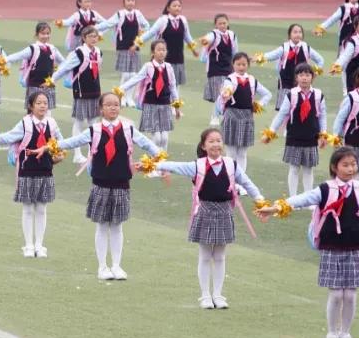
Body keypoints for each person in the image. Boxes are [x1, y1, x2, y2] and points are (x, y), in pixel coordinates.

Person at [256, 147, 359, 338]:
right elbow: (300, 199)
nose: (350, 169)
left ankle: (346, 333)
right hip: (331, 247)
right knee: (336, 294)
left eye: (353, 165)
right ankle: (332, 333)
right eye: (345, 165)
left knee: (350, 294)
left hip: (355, 247)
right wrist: (275, 208)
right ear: (334, 167)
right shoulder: (325, 189)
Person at [50, 93, 162, 280]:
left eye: (116, 105)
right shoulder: (94, 130)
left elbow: (150, 146)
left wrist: (157, 161)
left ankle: (117, 266)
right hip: (100, 184)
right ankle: (102, 266)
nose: (113, 108)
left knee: (117, 226)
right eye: (108, 105)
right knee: (102, 226)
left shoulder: (128, 129)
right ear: (100, 109)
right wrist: (49, 146)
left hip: (121, 184)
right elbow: (71, 142)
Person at [156, 128, 265, 308]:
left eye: (219, 141)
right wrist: (155, 165)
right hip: (205, 211)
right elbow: (175, 166)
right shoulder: (197, 165)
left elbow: (247, 183)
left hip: (224, 212)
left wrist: (259, 200)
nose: (216, 144)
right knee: (205, 255)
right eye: (211, 141)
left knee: (220, 255)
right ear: (204, 146)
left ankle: (218, 295)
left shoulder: (231, 164)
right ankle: (205, 295)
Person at [0, 90, 63, 256]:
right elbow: (9, 137)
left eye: (45, 103)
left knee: (41, 209)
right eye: (38, 103)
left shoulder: (52, 124)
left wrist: (61, 152)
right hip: (27, 170)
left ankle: (39, 245)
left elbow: (61, 142)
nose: (42, 106)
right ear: (31, 106)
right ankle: (29, 245)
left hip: (45, 170)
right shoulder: (25, 123)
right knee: (27, 209)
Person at [261, 64, 328, 196]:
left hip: (311, 137)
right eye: (301, 75)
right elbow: (282, 114)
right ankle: (293, 198)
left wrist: (323, 134)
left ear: (312, 77)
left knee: (308, 170)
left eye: (307, 75)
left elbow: (322, 116)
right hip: (294, 136)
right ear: (296, 77)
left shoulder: (319, 95)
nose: (304, 78)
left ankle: (308, 198)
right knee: (294, 168)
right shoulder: (291, 95)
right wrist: (271, 131)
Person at [214, 53, 273, 180]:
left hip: (247, 117)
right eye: (238, 64)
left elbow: (267, 94)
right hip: (231, 116)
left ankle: (241, 181)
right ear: (233, 65)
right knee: (231, 152)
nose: (241, 67)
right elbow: (226, 91)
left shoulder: (252, 80)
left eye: (244, 64)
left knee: (242, 153)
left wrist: (259, 105)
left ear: (248, 65)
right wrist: (226, 94)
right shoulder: (229, 80)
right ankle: (229, 180)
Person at [52, 26, 103, 164]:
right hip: (81, 92)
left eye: (95, 36)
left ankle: (92, 153)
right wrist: (52, 79)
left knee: (93, 123)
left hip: (95, 92)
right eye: (90, 36)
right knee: (79, 122)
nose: (93, 39)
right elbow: (65, 67)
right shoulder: (79, 53)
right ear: (84, 38)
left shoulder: (98, 52)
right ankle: (77, 154)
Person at [95, 0, 150, 108]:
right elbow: (108, 23)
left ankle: (130, 97)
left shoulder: (138, 14)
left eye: (132, 0)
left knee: (134, 73)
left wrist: (140, 38)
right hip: (123, 46)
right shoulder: (119, 14)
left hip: (135, 47)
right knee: (125, 74)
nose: (130, 2)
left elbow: (147, 26)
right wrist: (94, 28)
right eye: (128, 0)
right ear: (124, 2)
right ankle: (122, 96)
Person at [257, 24, 325, 109]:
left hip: (302, 84)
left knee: (299, 109)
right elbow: (272, 55)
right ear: (290, 35)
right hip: (286, 83)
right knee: (284, 110)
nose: (298, 34)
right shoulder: (284, 47)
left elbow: (320, 60)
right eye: (295, 32)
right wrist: (259, 58)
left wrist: (315, 73)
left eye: (300, 32)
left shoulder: (306, 47)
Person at [135, 0, 198, 87]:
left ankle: (175, 101)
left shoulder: (183, 20)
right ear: (168, 8)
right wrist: (137, 43)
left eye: (179, 6)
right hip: (163, 57)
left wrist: (193, 50)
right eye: (174, 6)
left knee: (175, 83)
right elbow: (151, 33)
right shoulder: (163, 20)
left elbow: (187, 36)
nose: (177, 8)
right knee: (162, 83)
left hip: (178, 56)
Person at [6, 22, 65, 109]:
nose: (45, 36)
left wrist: (55, 77)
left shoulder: (53, 49)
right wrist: (5, 60)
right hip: (34, 86)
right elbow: (18, 55)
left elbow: (64, 63)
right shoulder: (32, 49)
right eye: (43, 33)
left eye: (48, 33)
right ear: (37, 34)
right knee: (32, 114)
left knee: (47, 115)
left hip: (48, 86)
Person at [198, 14, 238, 106]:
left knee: (228, 96)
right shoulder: (213, 34)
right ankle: (215, 118)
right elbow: (208, 39)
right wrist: (205, 40)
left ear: (228, 23)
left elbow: (235, 52)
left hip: (228, 69)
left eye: (224, 23)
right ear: (216, 25)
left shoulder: (232, 35)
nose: (222, 25)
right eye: (220, 24)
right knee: (219, 97)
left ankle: (222, 118)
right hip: (216, 70)